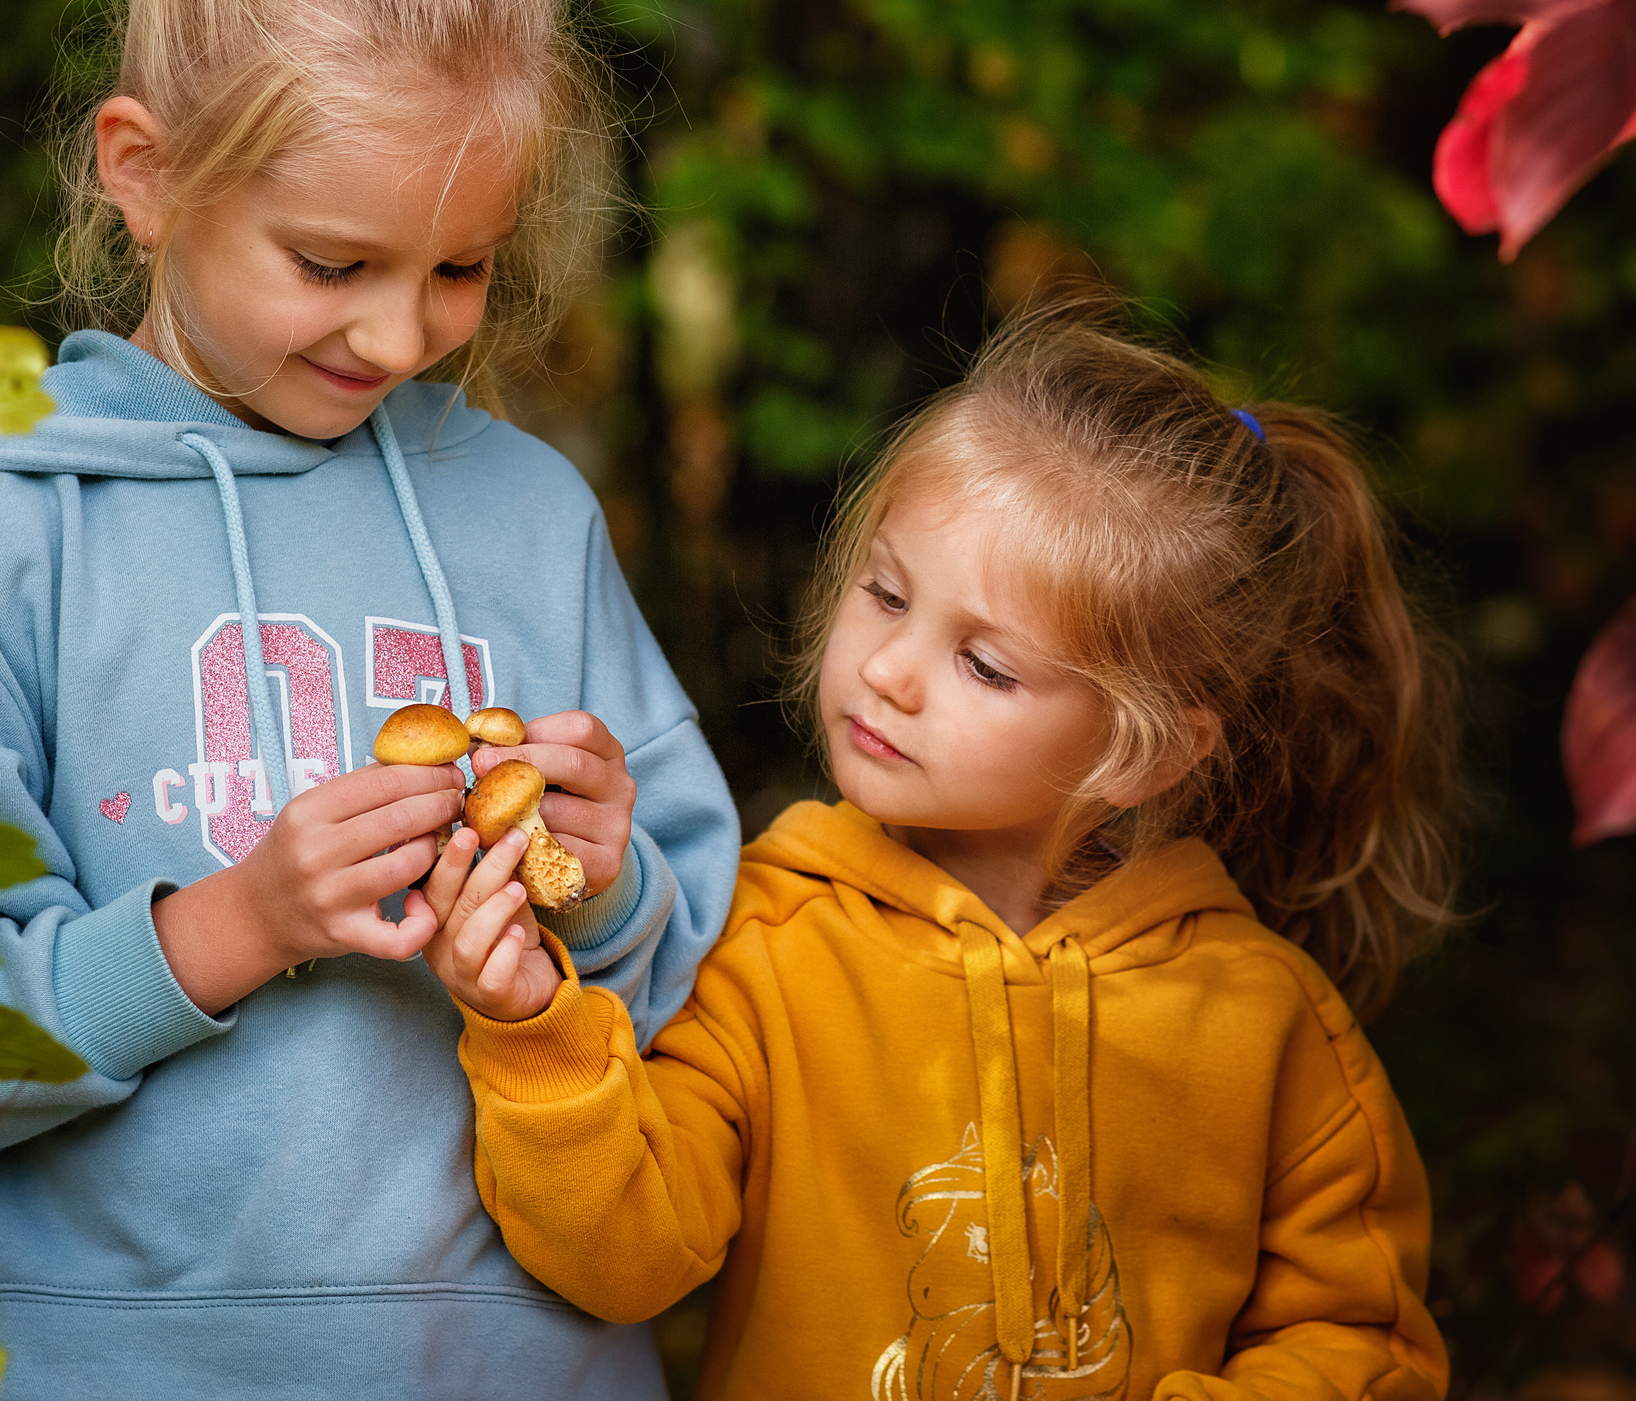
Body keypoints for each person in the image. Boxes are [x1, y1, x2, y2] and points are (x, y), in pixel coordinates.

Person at [0, 0, 739, 1401]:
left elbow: (701, 1003)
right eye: (333, 263)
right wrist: (230, 925)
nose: (400, 332)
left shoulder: (524, 516)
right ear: (143, 171)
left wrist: (601, 882)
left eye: (460, 267)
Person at [421, 311, 1464, 1400]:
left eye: (985, 666)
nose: (889, 673)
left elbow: (1365, 1342)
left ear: (1141, 754)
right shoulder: (769, 941)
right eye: (885, 596)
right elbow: (625, 1257)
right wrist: (533, 1038)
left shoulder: (1264, 1020)